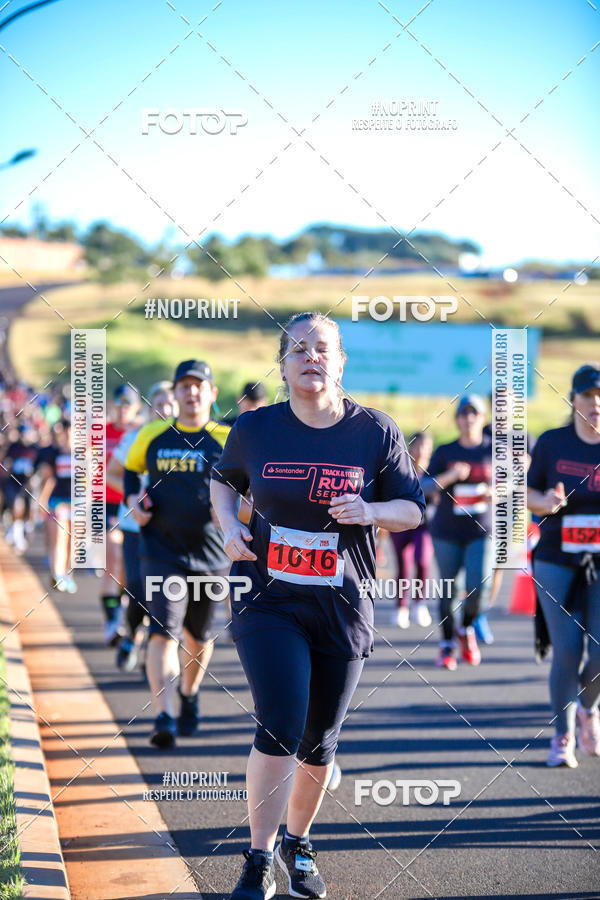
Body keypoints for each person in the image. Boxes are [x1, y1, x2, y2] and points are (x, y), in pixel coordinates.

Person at [210, 312, 424, 900]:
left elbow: (412, 510)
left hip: (344, 602)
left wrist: (371, 512)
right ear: (282, 364)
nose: (311, 358)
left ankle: (297, 843)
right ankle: (256, 856)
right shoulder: (255, 429)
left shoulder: (375, 431)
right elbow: (224, 481)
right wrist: (229, 524)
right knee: (279, 720)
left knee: (320, 738)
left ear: (340, 360)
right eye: (298, 349)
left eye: (322, 348)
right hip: (268, 596)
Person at [124, 361, 230, 748]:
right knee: (163, 632)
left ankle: (188, 693)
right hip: (161, 549)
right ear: (176, 392)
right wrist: (132, 498)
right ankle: (163, 714)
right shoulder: (153, 434)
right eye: (184, 385)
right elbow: (131, 471)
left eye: (199, 385)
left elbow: (247, 486)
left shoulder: (227, 438)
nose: (191, 392)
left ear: (212, 393)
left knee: (198, 637)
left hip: (211, 553)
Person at [527, 363, 600, 768]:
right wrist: (545, 503)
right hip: (556, 556)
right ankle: (563, 735)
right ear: (573, 398)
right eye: (589, 395)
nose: (596, 404)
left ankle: (589, 705)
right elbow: (527, 494)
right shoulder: (553, 443)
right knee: (568, 651)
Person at [107, 381, 176, 672]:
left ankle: (151, 650)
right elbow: (111, 475)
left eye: (170, 403)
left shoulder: (188, 440)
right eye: (159, 403)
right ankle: (132, 633)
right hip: (136, 526)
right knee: (136, 585)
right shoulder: (136, 437)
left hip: (172, 528)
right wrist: (135, 496)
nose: (165, 409)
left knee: (162, 593)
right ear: (150, 408)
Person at [424, 394, 493, 670]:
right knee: (448, 589)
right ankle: (446, 645)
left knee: (480, 585)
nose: (468, 419)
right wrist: (450, 477)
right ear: (457, 420)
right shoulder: (445, 451)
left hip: (481, 530)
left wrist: (495, 492)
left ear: (483, 418)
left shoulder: (493, 451)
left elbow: (513, 486)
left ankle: (466, 629)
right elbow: (424, 486)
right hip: (447, 531)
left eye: (474, 414)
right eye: (463, 414)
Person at [100, 384, 142, 646]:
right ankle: (112, 621)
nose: (122, 409)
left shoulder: (144, 433)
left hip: (133, 509)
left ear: (137, 407)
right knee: (112, 559)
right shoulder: (101, 433)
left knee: (130, 571)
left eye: (128, 404)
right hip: (105, 504)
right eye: (118, 404)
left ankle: (132, 620)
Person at [387, 431, 434, 628]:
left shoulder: (434, 471)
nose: (422, 450)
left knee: (422, 560)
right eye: (418, 446)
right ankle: (401, 607)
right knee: (403, 565)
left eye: (426, 446)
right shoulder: (401, 469)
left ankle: (420, 603)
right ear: (410, 448)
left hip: (424, 525)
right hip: (400, 523)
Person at [37, 420, 76, 593]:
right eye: (65, 430)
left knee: (73, 541)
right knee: (58, 537)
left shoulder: (87, 454)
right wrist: (42, 500)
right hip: (57, 501)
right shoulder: (54, 453)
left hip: (78, 503)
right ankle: (57, 573)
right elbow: (49, 478)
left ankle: (68, 574)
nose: (67, 434)